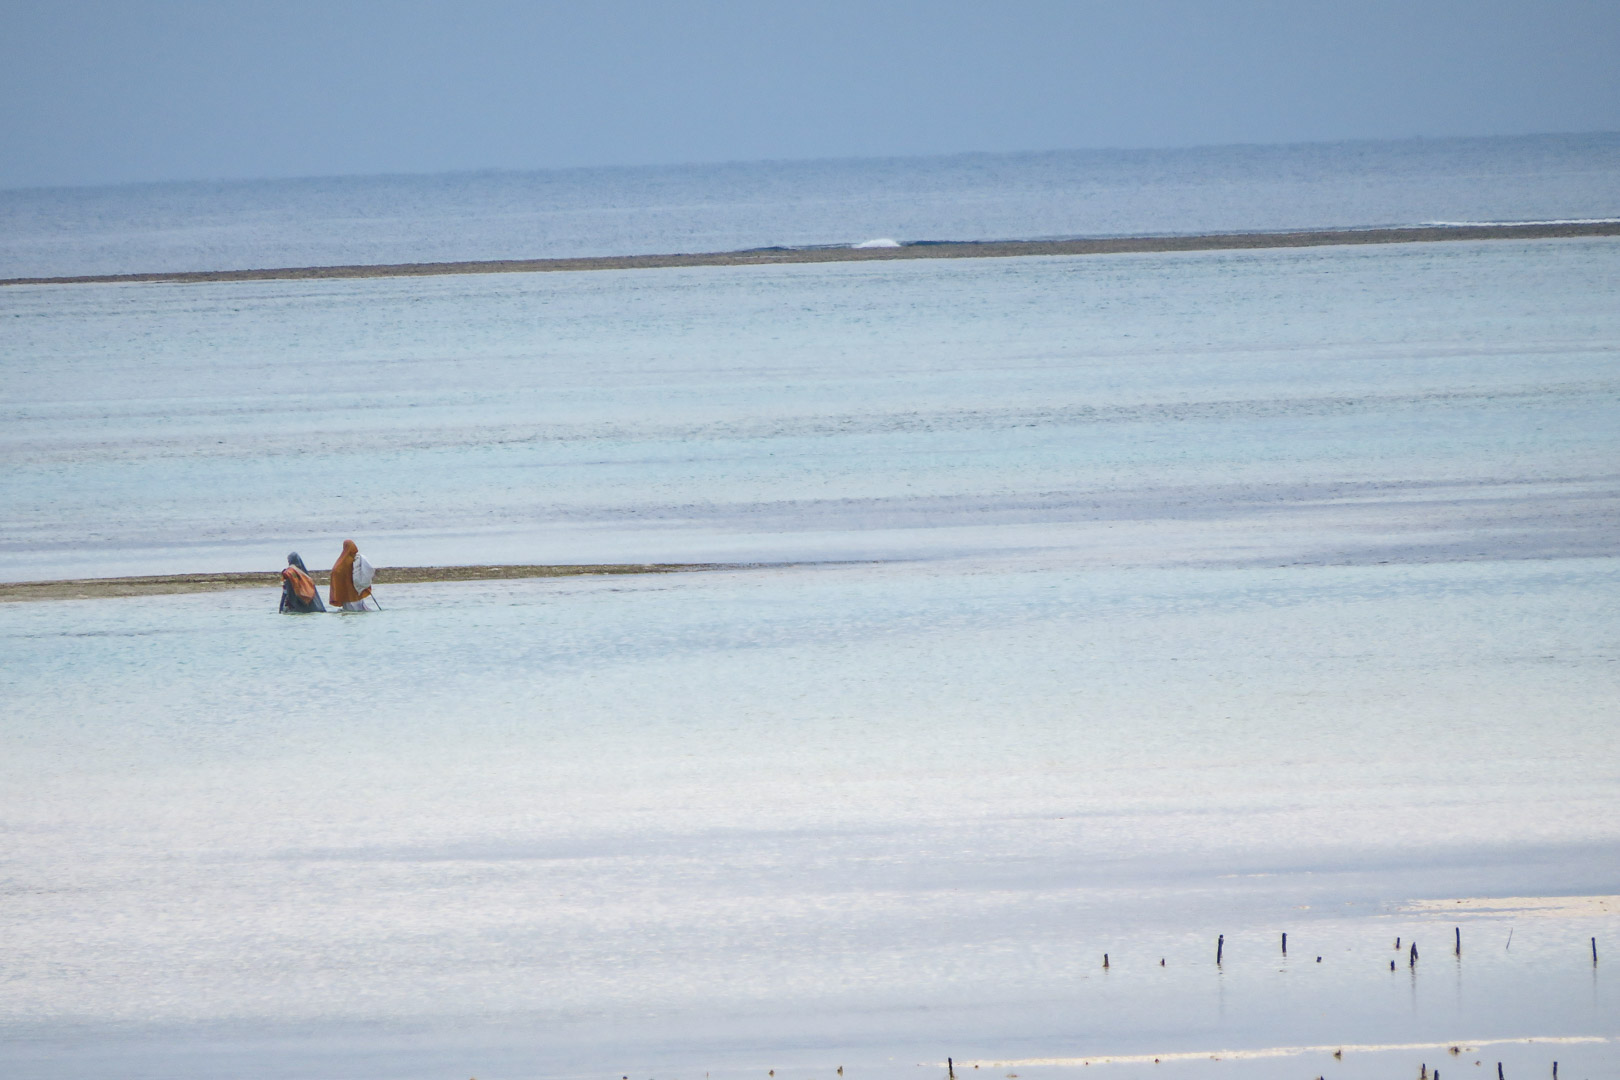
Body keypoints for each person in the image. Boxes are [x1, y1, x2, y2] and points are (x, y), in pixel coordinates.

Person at [329, 539, 376, 611]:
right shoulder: (357, 559)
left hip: (346, 592)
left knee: (349, 609)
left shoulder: (342, 561)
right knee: (359, 608)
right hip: (356, 590)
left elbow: (335, 572)